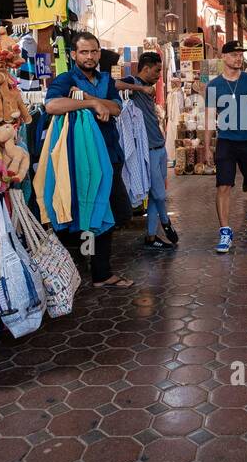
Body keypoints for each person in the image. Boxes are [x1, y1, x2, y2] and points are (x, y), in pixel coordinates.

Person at [44, 31, 135, 288]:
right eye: (84, 52)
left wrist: (87, 98)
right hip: (80, 158)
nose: (90, 56)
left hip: (109, 153)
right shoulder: (66, 78)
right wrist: (93, 106)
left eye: (94, 51)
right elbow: (52, 105)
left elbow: (116, 108)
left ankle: (94, 266)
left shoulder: (105, 79)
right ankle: (98, 271)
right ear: (74, 55)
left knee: (116, 211)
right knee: (87, 209)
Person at [200, 40, 247, 254]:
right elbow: (210, 118)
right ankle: (225, 230)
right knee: (223, 186)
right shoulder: (214, 86)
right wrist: (206, 147)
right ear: (224, 57)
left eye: (240, 54)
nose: (238, 58)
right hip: (226, 142)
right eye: (233, 54)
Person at [116, 51, 177, 250]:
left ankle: (151, 237)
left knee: (155, 194)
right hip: (148, 150)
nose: (159, 75)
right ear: (146, 67)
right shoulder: (132, 82)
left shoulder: (150, 89)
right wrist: (139, 88)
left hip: (159, 147)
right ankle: (166, 224)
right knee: (159, 195)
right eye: (157, 70)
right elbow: (113, 84)